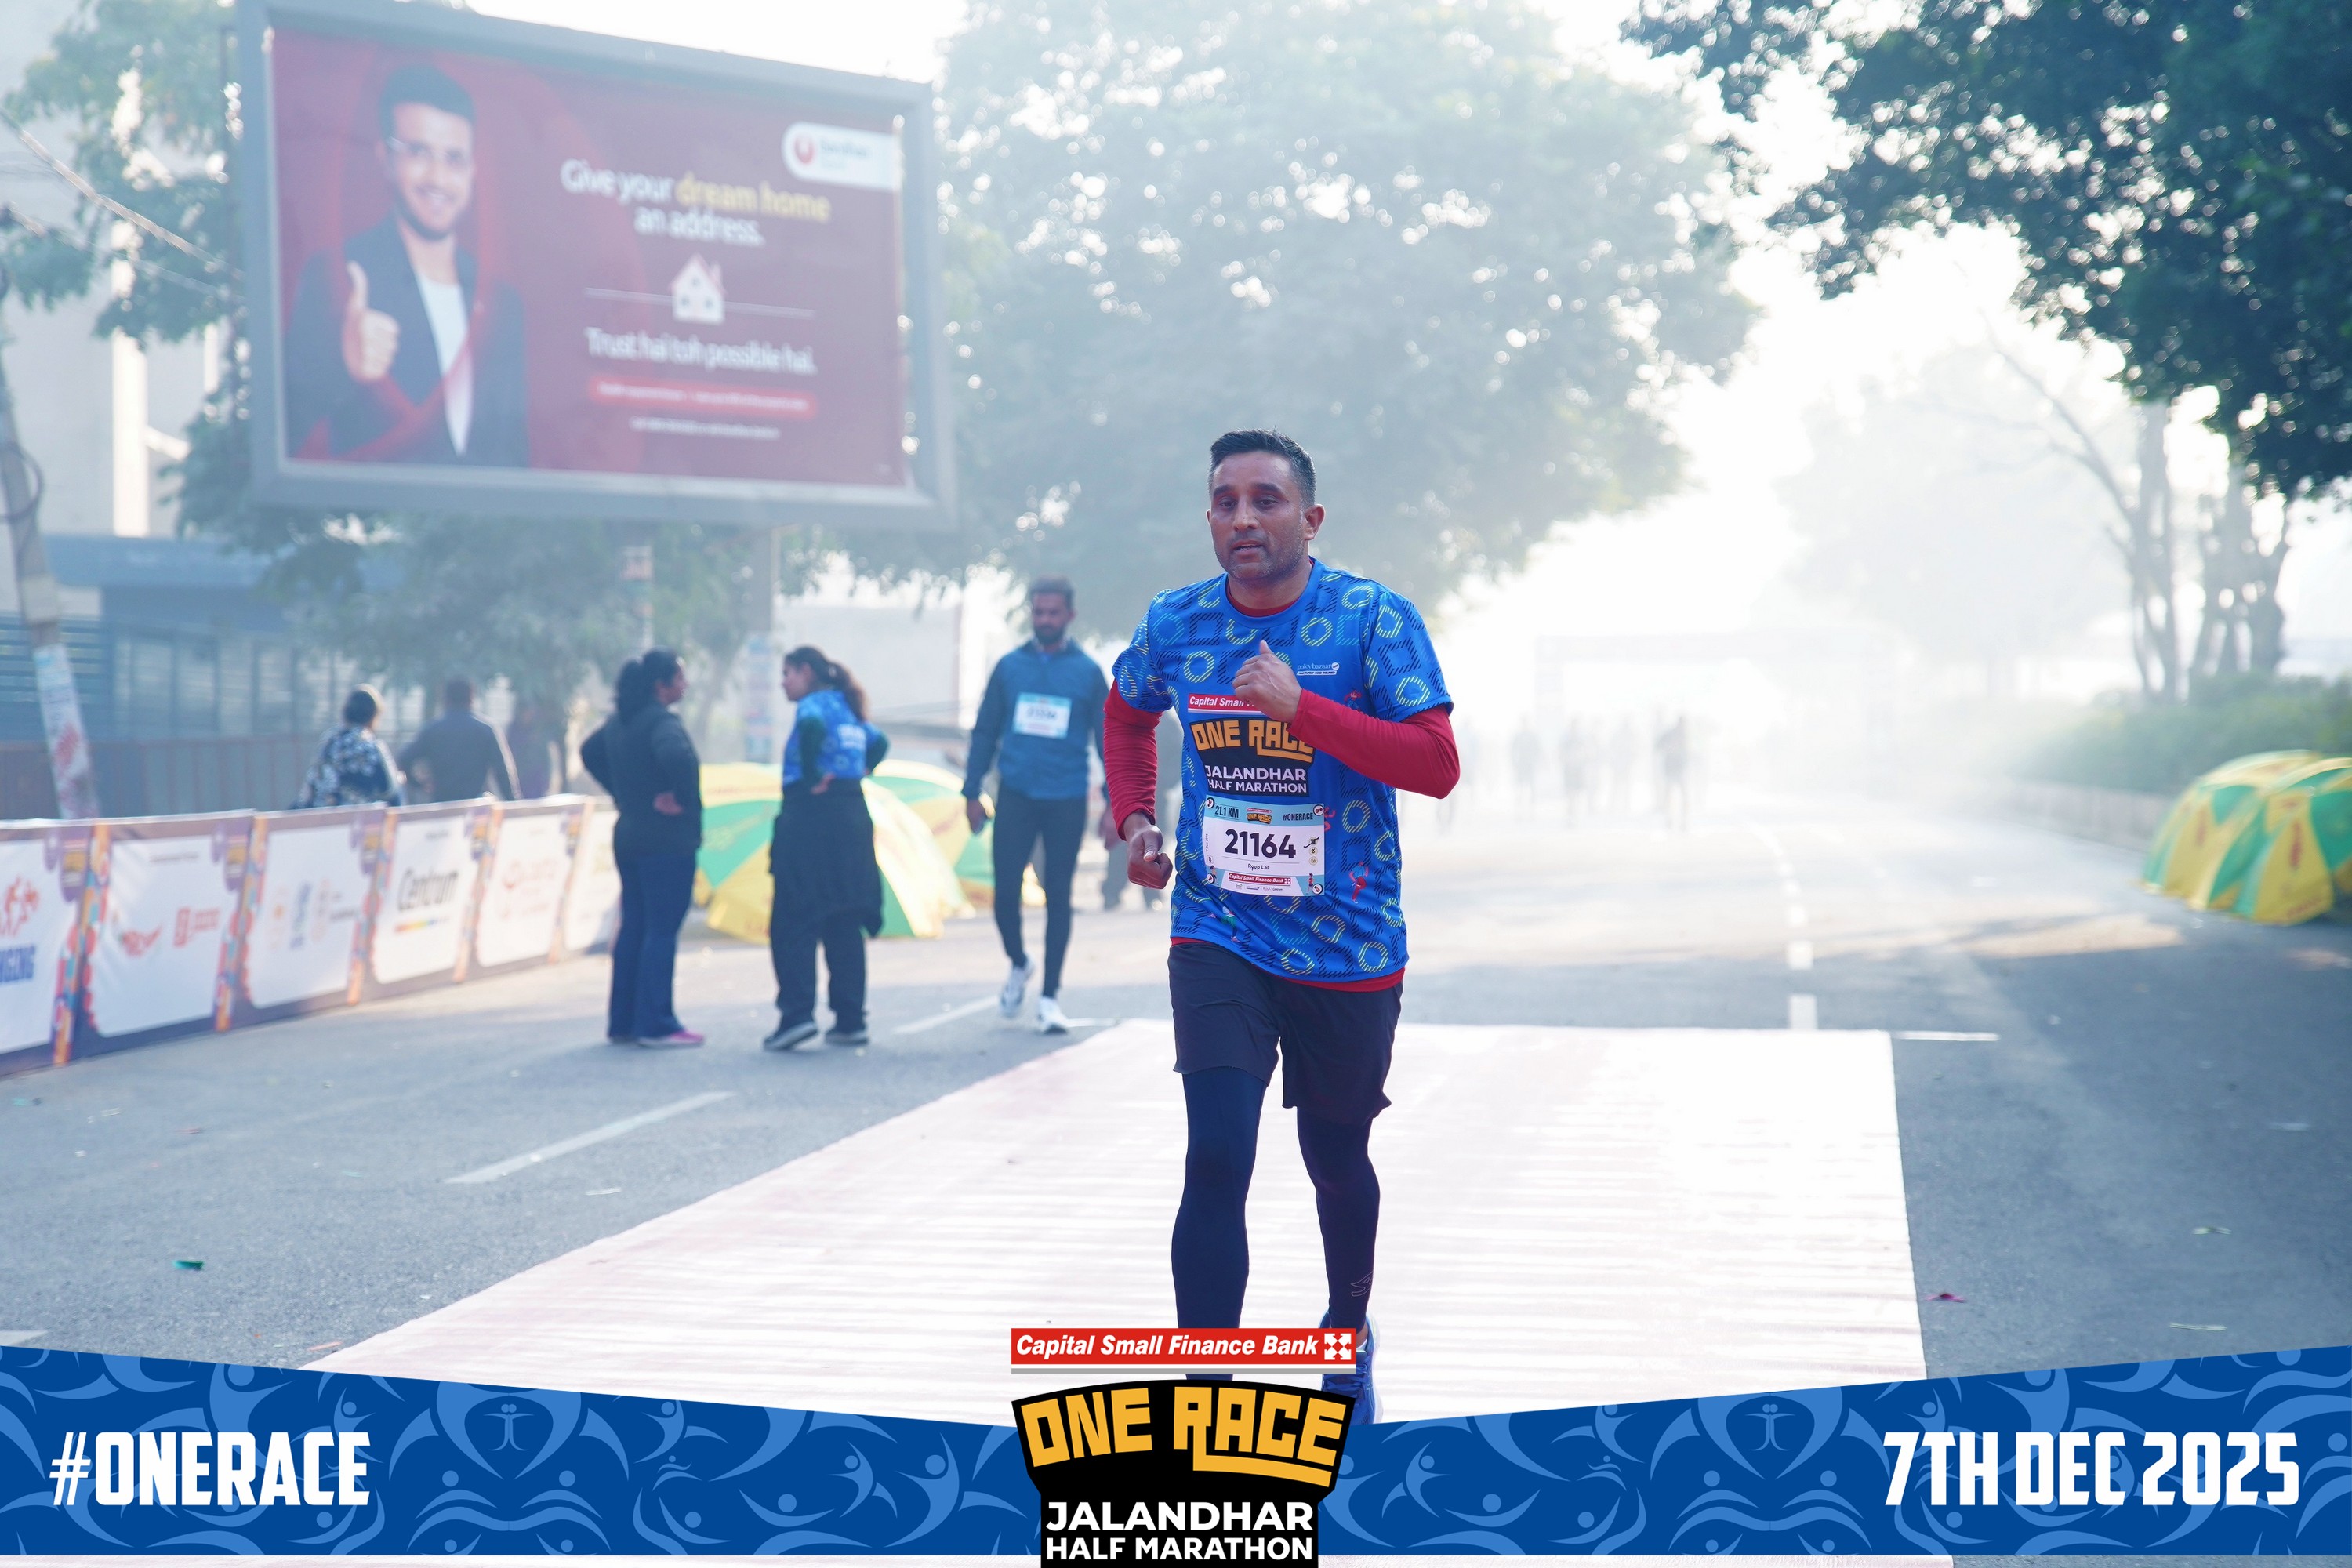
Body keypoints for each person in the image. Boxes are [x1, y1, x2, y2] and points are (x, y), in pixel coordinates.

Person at [1104, 429, 1459, 1424]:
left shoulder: (1371, 617)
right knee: (1217, 1153)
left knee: (1335, 1158)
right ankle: (1203, 1394)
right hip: (1219, 928)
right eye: (1225, 500)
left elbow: (1436, 764)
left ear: (1311, 517)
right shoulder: (1177, 621)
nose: (1243, 518)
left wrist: (1304, 707)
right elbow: (1126, 714)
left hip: (1348, 945)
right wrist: (1136, 818)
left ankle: (1345, 1328)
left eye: (1265, 499)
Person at [282, 64, 529, 466]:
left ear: (472, 172)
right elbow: (282, 430)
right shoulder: (336, 276)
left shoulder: (503, 303)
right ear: (386, 159)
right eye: (418, 153)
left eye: (454, 159)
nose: (438, 178)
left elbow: (514, 456)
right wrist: (342, 366)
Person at [961, 575, 1109, 1035]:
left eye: (1053, 613)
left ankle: (1049, 998)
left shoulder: (1087, 672)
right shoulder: (1010, 667)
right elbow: (985, 730)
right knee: (1006, 892)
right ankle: (1019, 961)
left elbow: (1107, 740)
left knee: (1058, 895)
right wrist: (971, 790)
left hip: (1066, 796)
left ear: (1069, 616)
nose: (1045, 620)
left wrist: (1114, 803)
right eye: (1038, 612)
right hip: (1017, 794)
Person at [762, 646, 889, 1052]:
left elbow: (812, 727)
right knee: (844, 918)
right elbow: (879, 742)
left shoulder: (814, 705)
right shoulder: (848, 707)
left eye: (787, 673)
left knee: (794, 919)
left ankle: (797, 1016)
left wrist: (813, 775)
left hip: (809, 816)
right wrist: (864, 768)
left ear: (805, 672)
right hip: (852, 816)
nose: (783, 683)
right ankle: (850, 1019)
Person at [579, 649, 702, 1048]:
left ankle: (624, 1020)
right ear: (661, 686)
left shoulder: (621, 722)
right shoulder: (662, 723)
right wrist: (681, 797)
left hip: (630, 833)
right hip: (666, 839)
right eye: (679, 678)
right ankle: (657, 1023)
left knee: (634, 925)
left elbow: (588, 752)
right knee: (661, 929)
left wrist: (624, 792)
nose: (685, 685)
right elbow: (678, 757)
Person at [1100, 709, 1180, 912]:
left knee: (1153, 845)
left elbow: (1179, 757)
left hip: (1156, 795)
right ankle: (1112, 892)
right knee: (1121, 844)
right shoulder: (1128, 714)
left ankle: (1151, 893)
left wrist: (1164, 782)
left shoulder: (1168, 724)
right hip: (1126, 792)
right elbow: (1113, 752)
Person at [397, 677, 517, 802]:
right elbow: (502, 772)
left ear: (446, 699)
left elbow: (404, 758)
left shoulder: (433, 730)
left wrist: (418, 784)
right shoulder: (485, 730)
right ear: (471, 698)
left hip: (443, 803)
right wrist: (512, 801)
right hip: (475, 804)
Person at [292, 686, 403, 808]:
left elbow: (312, 785)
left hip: (320, 812)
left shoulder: (330, 740)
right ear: (373, 716)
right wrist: (398, 779)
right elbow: (389, 790)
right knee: (397, 788)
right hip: (358, 815)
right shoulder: (371, 746)